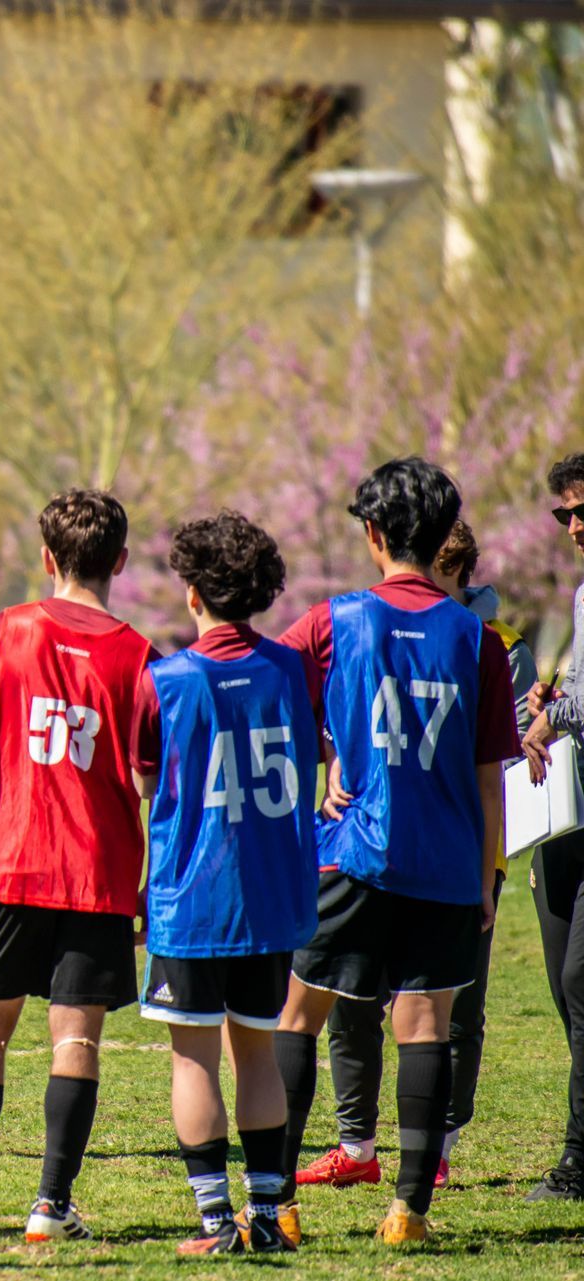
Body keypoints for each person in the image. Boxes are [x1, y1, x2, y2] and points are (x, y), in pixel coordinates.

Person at [272, 457, 513, 1245]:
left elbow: (265, 687)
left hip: (351, 855)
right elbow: (488, 779)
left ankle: (278, 1203)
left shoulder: (332, 620)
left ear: (372, 533)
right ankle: (409, 1210)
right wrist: (487, 875)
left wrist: (324, 760)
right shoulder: (479, 641)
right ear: (443, 538)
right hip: (444, 863)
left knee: (299, 1014)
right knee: (425, 1024)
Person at [0, 489, 156, 1244]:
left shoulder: (3, 633)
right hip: (97, 874)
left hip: (12, 865)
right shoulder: (141, 656)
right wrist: (153, 880)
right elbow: (158, 784)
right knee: (75, 1040)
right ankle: (51, 1207)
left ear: (47, 557)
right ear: (120, 561)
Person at [132, 512, 318, 1255]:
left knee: (194, 1057)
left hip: (192, 901)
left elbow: (146, 784)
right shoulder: (293, 670)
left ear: (192, 593)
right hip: (272, 898)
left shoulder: (165, 680)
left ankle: (215, 1223)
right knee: (259, 1053)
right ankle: (266, 1216)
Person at [517, 451, 584, 1201]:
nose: (573, 526)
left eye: (582, 510)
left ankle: (577, 1160)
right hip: (569, 814)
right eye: (563, 513)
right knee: (564, 979)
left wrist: (554, 714)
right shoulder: (582, 595)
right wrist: (554, 695)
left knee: (579, 977)